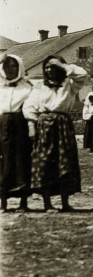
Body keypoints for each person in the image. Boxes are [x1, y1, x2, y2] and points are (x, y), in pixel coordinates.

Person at [23, 55, 87, 212]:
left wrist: (63, 65)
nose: (49, 70)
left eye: (53, 66)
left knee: (64, 163)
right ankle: (47, 204)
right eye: (46, 67)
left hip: (63, 125)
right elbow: (30, 105)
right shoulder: (40, 86)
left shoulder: (69, 83)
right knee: (44, 162)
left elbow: (82, 74)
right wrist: (31, 125)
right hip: (44, 125)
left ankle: (65, 203)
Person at [0, 54, 33, 212]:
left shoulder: (27, 87)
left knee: (21, 160)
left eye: (14, 65)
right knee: (3, 161)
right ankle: (3, 203)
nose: (10, 69)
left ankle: (23, 202)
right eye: (7, 66)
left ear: (19, 67)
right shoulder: (0, 86)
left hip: (20, 126)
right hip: (2, 126)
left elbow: (31, 107)